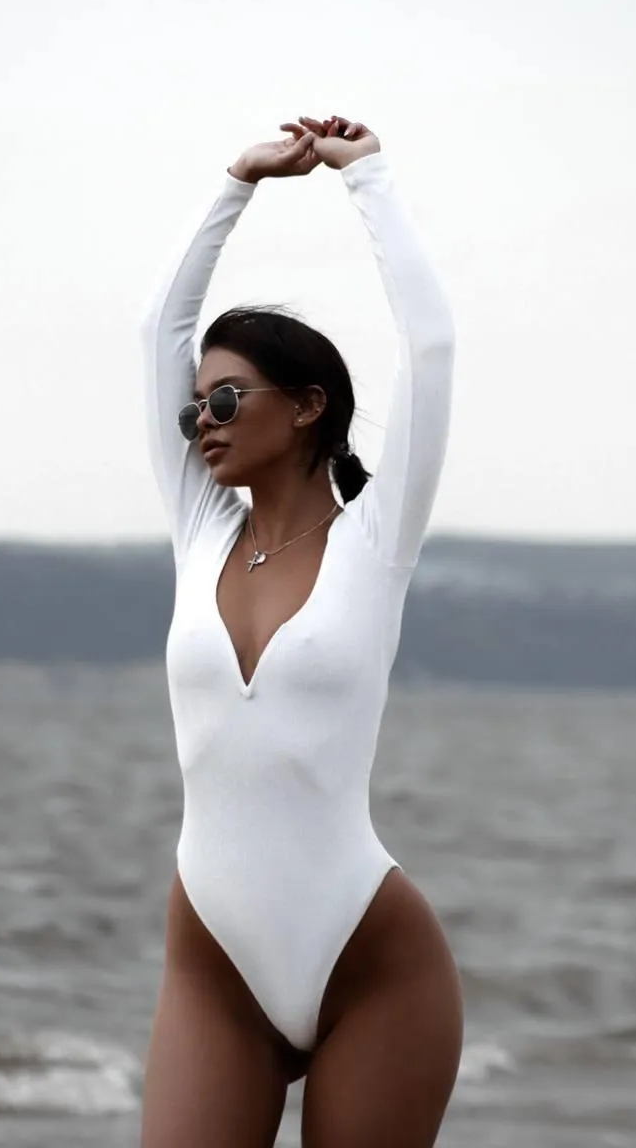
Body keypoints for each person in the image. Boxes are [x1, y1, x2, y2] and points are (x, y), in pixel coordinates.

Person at [138, 114, 463, 1147]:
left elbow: (433, 347)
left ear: (310, 405)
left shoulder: (376, 541)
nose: (205, 422)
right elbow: (156, 335)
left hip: (369, 961)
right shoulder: (198, 531)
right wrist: (233, 184)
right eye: (196, 408)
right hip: (213, 961)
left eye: (228, 397)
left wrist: (366, 177)